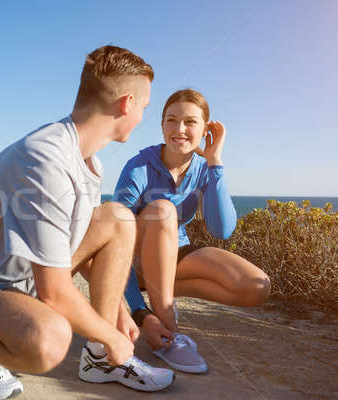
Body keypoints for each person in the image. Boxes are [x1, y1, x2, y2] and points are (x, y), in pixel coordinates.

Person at [0, 45, 175, 400]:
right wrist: (111, 335)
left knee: (117, 218)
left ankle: (101, 362)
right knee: (49, 341)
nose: (142, 116)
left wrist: (119, 314)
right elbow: (54, 294)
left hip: (22, 280)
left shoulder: (90, 163)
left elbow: (87, 250)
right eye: (145, 108)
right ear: (126, 103)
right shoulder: (45, 158)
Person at [114, 88, 271, 374]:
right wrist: (140, 311)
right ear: (162, 125)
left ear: (206, 128)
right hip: (132, 259)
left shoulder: (204, 167)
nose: (180, 130)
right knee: (162, 212)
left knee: (255, 287)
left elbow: (221, 229)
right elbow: (114, 241)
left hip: (175, 253)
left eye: (190, 122)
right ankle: (169, 333)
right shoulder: (138, 167)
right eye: (171, 121)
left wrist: (215, 162)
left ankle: (162, 290)